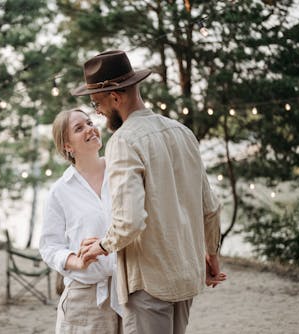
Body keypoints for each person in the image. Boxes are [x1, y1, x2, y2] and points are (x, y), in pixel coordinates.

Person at [72, 50, 226, 334]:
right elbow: (211, 207)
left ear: (116, 97)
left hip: (150, 282)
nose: (99, 112)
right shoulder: (183, 132)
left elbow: (129, 221)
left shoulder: (123, 141)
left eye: (97, 104)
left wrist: (102, 245)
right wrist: (212, 256)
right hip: (186, 276)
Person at [39, 108, 122, 334]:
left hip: (130, 291)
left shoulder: (122, 171)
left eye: (89, 122)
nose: (89, 128)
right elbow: (49, 247)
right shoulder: (60, 191)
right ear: (68, 146)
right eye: (79, 128)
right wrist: (77, 261)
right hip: (84, 298)